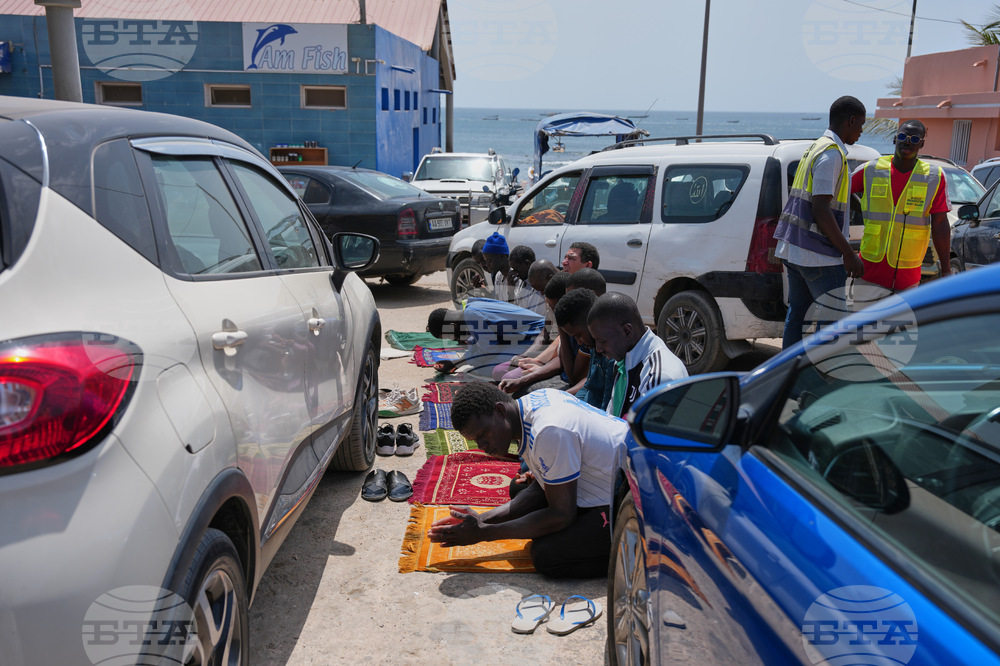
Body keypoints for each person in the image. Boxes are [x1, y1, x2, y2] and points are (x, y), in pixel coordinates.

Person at [429, 383, 626, 578]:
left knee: (546, 555)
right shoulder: (531, 405)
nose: (482, 446)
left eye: (482, 435)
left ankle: (635, 557)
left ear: (499, 410)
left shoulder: (547, 430)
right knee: (519, 491)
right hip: (613, 480)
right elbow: (542, 487)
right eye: (476, 441)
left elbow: (562, 515)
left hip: (634, 499)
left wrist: (485, 533)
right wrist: (481, 519)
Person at [773, 95, 867, 349]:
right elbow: (821, 210)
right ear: (850, 121)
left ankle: (786, 376)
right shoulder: (831, 155)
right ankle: (825, 381)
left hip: (795, 249)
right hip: (819, 256)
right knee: (833, 326)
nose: (861, 132)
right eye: (861, 125)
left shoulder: (815, 147)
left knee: (798, 316)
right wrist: (848, 253)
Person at [852, 120, 951, 299]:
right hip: (868, 273)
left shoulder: (934, 177)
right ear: (895, 139)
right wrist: (862, 211)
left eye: (914, 139)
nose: (907, 142)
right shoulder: (870, 170)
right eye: (903, 137)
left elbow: (940, 223)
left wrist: (946, 269)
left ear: (922, 144)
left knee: (901, 328)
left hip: (907, 279)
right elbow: (837, 193)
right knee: (864, 327)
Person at [587, 292, 688, 417]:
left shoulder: (658, 376)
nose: (598, 349)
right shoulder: (625, 359)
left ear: (627, 331)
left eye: (602, 341)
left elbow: (647, 434)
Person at [426, 298, 544, 379]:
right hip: (526, 337)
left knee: (484, 369)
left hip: (537, 338)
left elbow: (488, 350)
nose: (453, 339)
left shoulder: (472, 315)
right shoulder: (471, 307)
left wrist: (457, 364)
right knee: (472, 345)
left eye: (448, 336)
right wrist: (455, 363)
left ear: (452, 326)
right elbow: (482, 345)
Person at [554, 288, 616, 411]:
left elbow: (607, 407)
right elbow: (589, 386)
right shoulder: (593, 347)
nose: (579, 342)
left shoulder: (612, 355)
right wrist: (564, 400)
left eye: (579, 335)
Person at [482, 232, 514, 302]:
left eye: (489, 260)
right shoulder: (498, 276)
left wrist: (510, 292)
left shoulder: (514, 279)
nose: (487, 265)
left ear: (502, 256)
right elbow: (497, 303)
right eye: (486, 261)